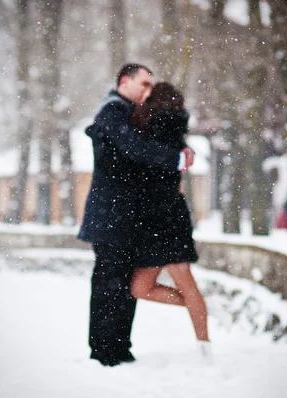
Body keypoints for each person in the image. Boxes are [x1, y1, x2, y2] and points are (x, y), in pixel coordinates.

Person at [78, 64, 194, 367]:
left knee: (124, 286)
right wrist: (176, 158)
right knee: (109, 285)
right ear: (124, 81)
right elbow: (134, 147)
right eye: (143, 84)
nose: (148, 91)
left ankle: (118, 348)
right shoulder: (112, 111)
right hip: (110, 217)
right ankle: (104, 352)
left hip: (125, 217)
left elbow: (148, 143)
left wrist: (180, 148)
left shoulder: (128, 112)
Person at [129, 82, 210, 350]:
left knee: (182, 279)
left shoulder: (158, 128)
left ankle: (203, 343)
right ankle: (197, 305)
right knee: (140, 287)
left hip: (166, 216)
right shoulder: (168, 132)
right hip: (157, 217)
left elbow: (153, 171)